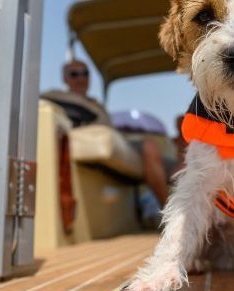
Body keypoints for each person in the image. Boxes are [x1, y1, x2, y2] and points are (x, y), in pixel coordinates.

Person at [58, 60, 170, 207]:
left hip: (120, 138)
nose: (81, 78)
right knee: (149, 146)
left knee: (172, 154)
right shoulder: (64, 100)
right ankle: (168, 210)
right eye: (74, 74)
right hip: (97, 137)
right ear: (65, 79)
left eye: (85, 73)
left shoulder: (95, 104)